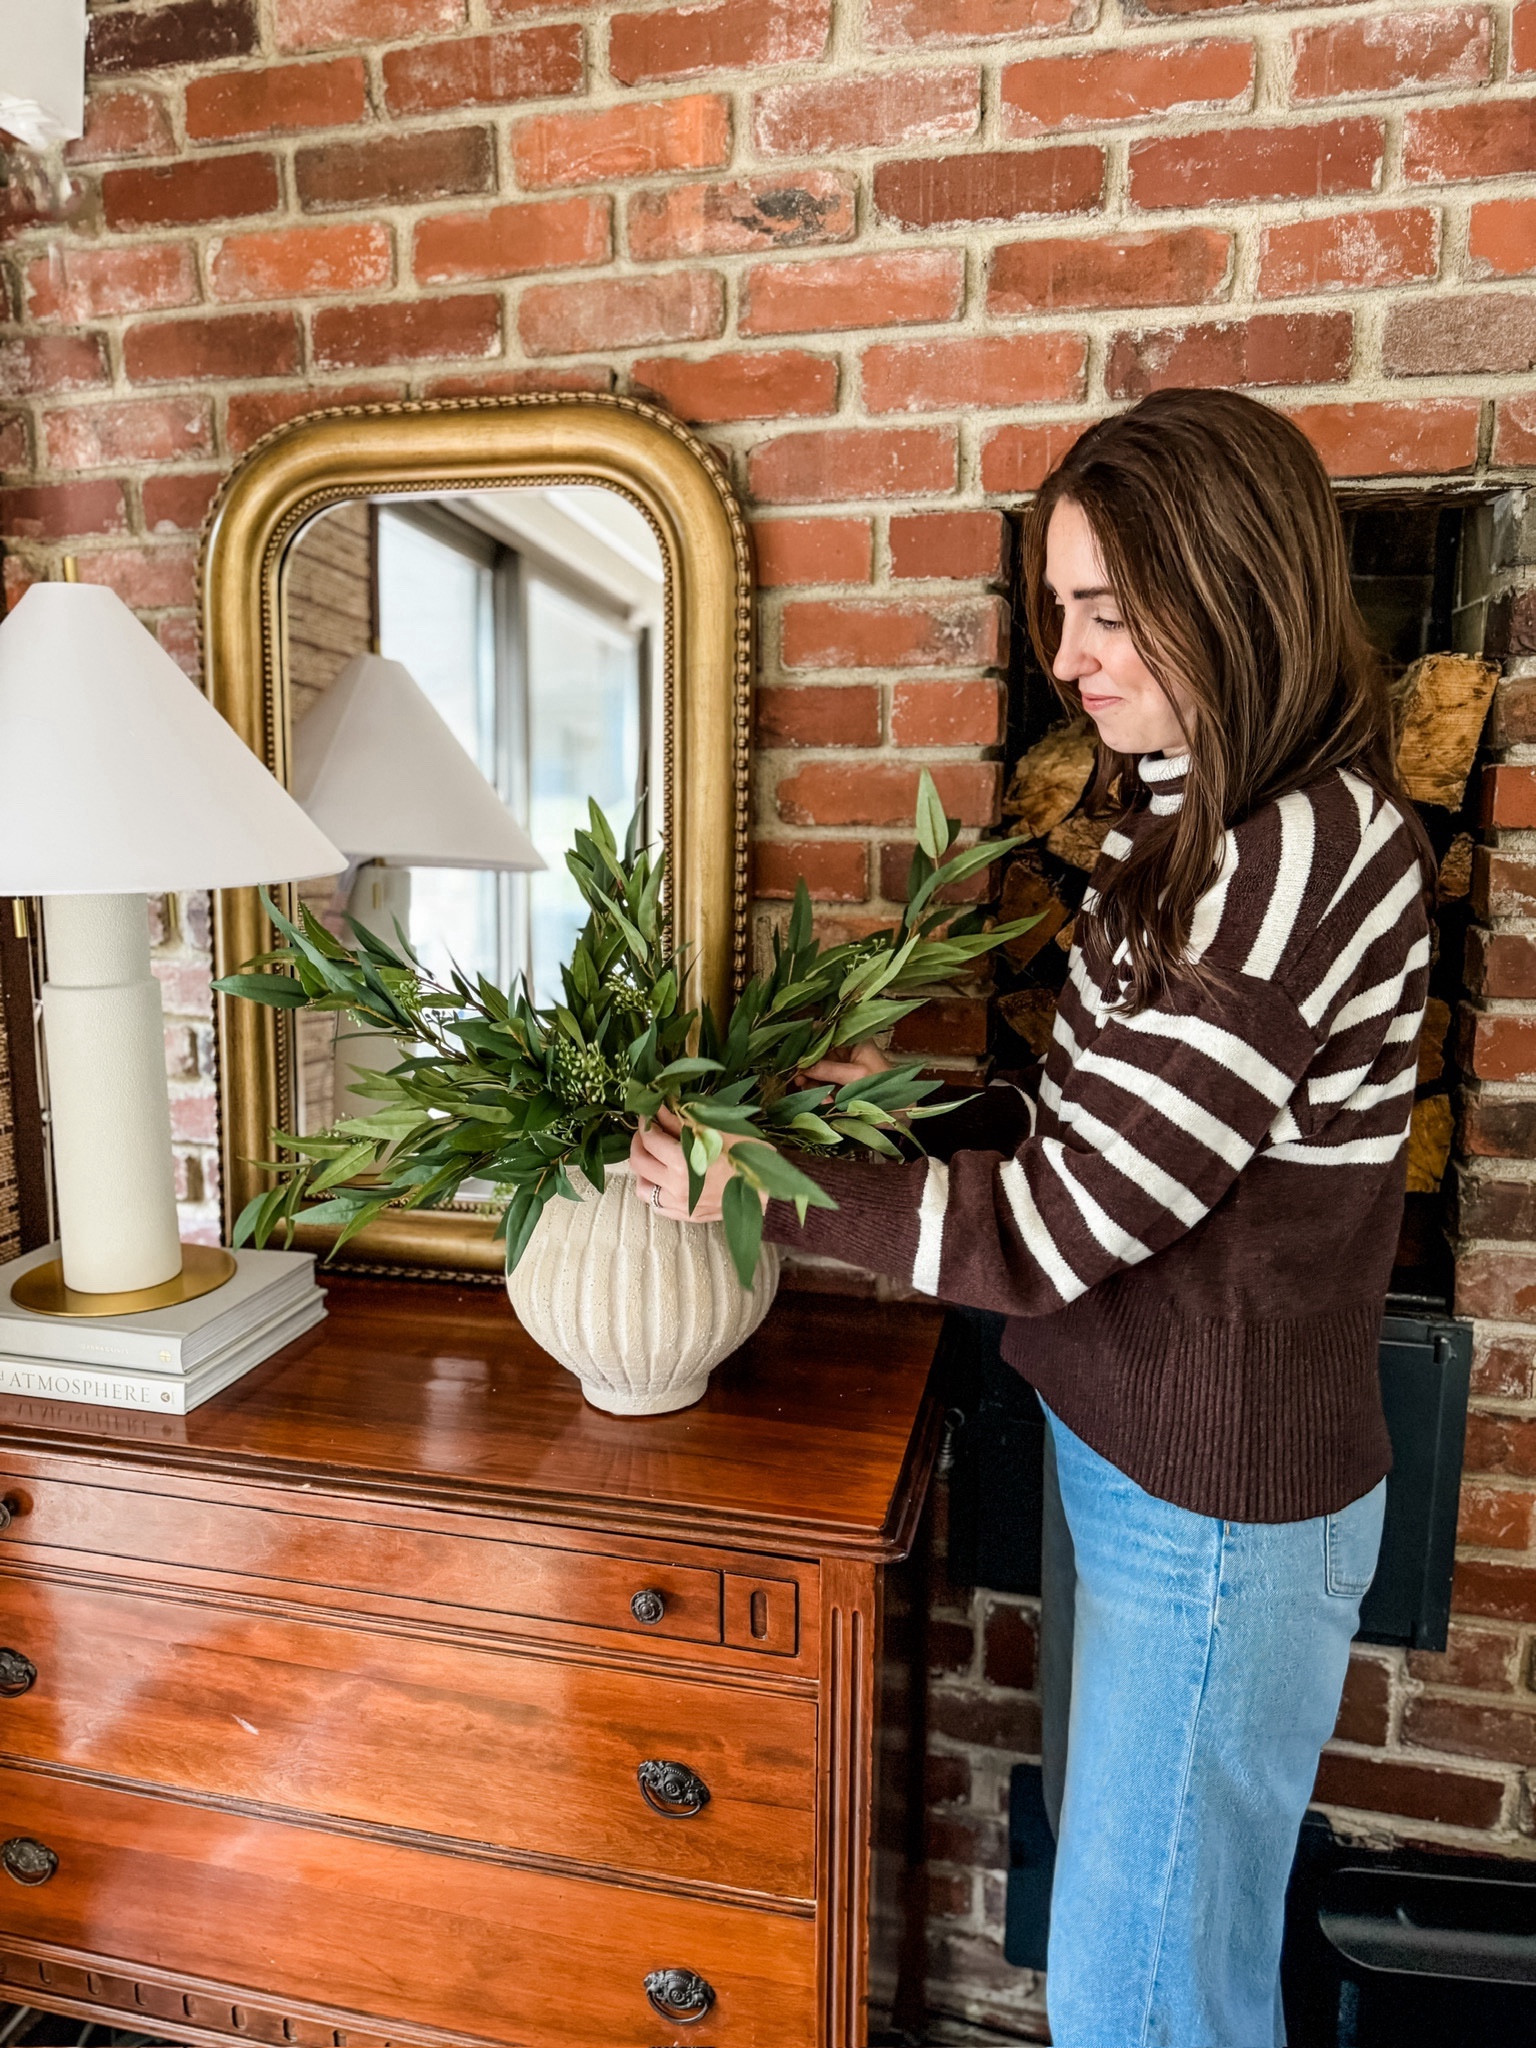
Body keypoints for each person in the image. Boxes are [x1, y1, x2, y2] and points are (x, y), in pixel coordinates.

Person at [631, 387, 1432, 2048]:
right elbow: (1107, 1137)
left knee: (1144, 2007)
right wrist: (875, 1114)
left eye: (1111, 613)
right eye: (1057, 610)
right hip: (1142, 1456)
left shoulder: (1289, 855)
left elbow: (1062, 1232)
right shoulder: (1190, 814)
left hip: (1210, 1514)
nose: (1066, 661)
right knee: (1157, 1973)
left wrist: (768, 1188)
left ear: (1236, 591)